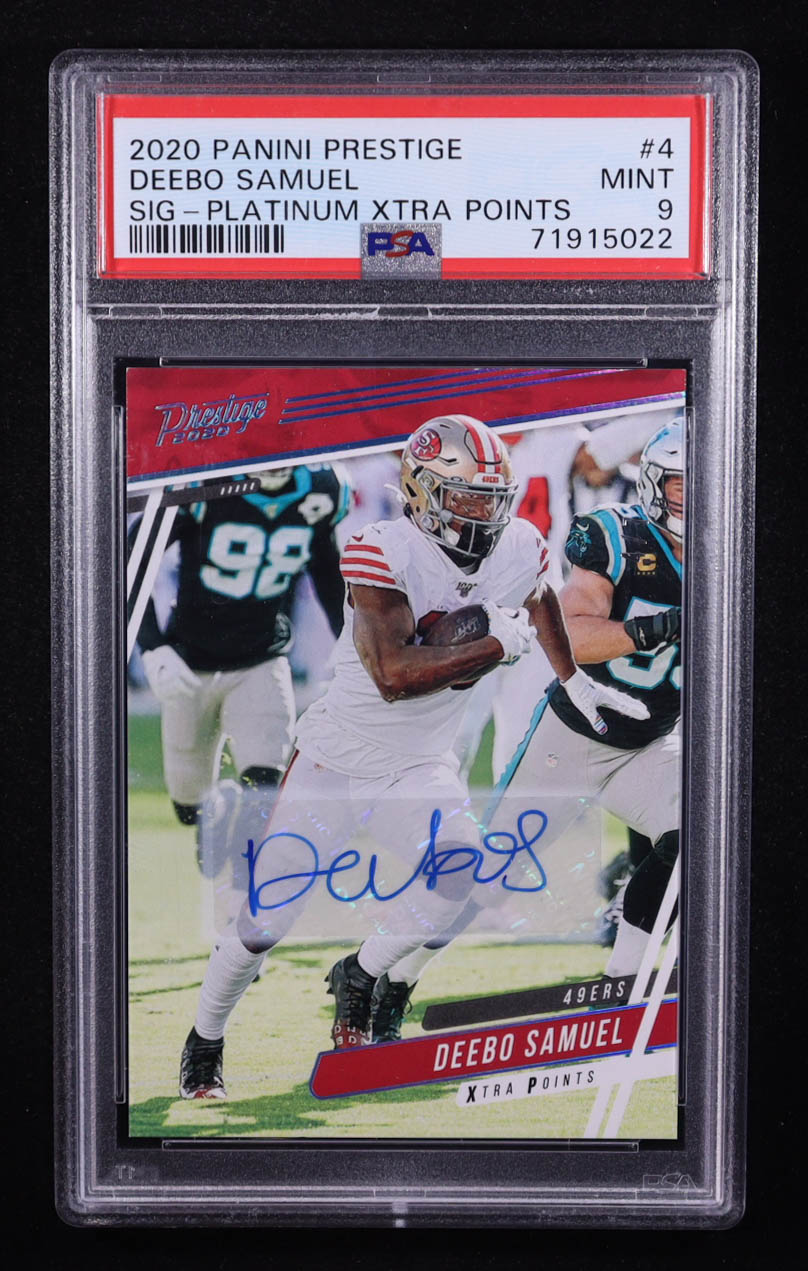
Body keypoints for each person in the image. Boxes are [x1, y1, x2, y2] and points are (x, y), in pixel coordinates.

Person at [178, 415, 647, 1097]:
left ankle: (363, 972)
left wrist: (573, 678)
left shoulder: (518, 543)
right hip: (336, 758)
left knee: (461, 876)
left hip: (419, 763)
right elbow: (393, 676)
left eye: (491, 499)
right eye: (466, 499)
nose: (482, 514)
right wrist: (495, 644)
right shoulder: (381, 549)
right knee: (262, 925)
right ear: (423, 492)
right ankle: (205, 1039)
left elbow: (541, 596)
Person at [364, 418, 684, 1041]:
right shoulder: (618, 535)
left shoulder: (732, 550)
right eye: (679, 485)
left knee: (697, 836)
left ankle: (619, 992)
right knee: (484, 883)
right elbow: (576, 634)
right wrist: (652, 629)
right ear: (652, 483)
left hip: (648, 744)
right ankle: (394, 979)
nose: (692, 500)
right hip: (574, 740)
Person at [130, 465, 350, 837]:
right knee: (190, 809)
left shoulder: (321, 488)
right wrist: (153, 646)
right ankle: (218, 814)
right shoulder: (203, 482)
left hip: (261, 656)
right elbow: (131, 557)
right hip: (190, 661)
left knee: (264, 787)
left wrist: (351, 643)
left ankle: (247, 863)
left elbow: (328, 571)